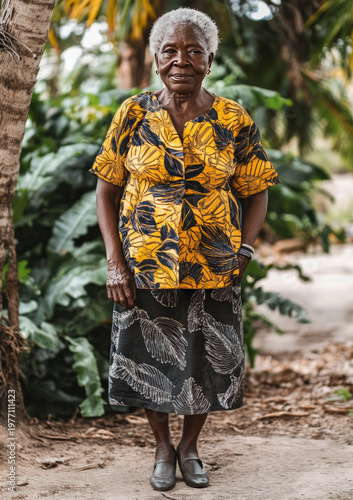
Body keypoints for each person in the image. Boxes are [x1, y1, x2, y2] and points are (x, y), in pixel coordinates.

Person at [90, 7, 280, 492]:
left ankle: (190, 448)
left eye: (194, 51)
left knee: (207, 360)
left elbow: (257, 188)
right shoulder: (133, 113)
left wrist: (245, 251)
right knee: (147, 358)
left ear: (210, 59)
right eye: (171, 50)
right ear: (156, 59)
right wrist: (115, 264)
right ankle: (161, 448)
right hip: (145, 263)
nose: (182, 60)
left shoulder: (233, 118)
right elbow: (106, 191)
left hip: (215, 264)